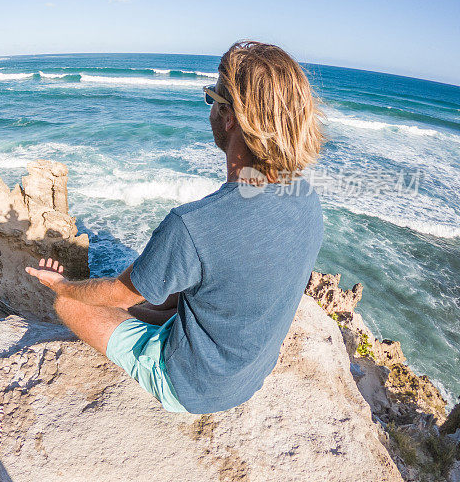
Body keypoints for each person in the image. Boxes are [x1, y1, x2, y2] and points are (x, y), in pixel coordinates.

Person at [25, 41, 325, 413]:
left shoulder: (194, 226)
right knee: (175, 286)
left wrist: (65, 285)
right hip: (254, 367)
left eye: (211, 98)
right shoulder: (308, 198)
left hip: (196, 387)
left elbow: (121, 294)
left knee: (71, 306)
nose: (211, 109)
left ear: (229, 117)